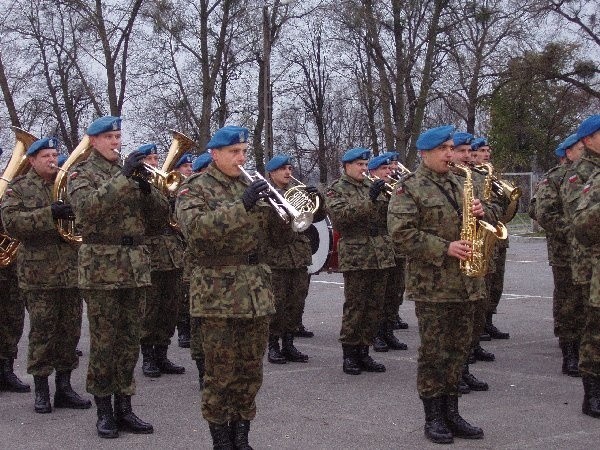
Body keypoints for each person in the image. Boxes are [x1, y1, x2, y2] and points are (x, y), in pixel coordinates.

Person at [175, 125, 294, 449]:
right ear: (215, 154)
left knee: (250, 370)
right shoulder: (194, 188)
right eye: (234, 152)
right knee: (219, 373)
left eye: (244, 151)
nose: (242, 157)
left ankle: (242, 437)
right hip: (217, 292)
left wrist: (287, 214)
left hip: (254, 291)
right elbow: (196, 230)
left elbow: (276, 239)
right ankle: (221, 441)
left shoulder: (252, 184)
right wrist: (241, 205)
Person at [67, 116, 168, 438]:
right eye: (109, 136)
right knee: (104, 342)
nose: (115, 142)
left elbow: (160, 218)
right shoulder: (81, 173)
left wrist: (145, 189)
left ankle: (125, 406)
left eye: (118, 136)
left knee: (128, 341)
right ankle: (104, 410)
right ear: (93, 140)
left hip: (135, 267)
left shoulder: (133, 173)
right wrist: (124, 179)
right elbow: (86, 210)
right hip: (101, 269)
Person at [388, 125, 490, 444]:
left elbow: (483, 220)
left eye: (451, 147)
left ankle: (452, 412)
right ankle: (433, 416)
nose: (451, 154)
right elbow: (401, 233)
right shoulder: (409, 187)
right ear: (425, 153)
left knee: (459, 350)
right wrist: (444, 247)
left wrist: (481, 212)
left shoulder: (463, 182)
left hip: (464, 282)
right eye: (444, 149)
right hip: (432, 285)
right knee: (435, 352)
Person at [1, 137, 90, 414]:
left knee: (69, 331)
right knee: (42, 332)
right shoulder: (19, 188)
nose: (52, 161)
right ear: (32, 160)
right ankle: (41, 390)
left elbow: (87, 217)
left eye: (54, 155)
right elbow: (12, 223)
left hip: (70, 271)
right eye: (46, 157)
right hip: (39, 274)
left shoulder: (67, 185)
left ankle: (64, 387)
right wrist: (48, 214)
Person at [325, 148, 395, 375]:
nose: (364, 169)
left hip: (380, 255)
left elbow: (388, 217)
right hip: (357, 254)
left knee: (374, 306)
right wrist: (370, 199)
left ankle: (364, 352)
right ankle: (349, 354)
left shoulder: (371, 185)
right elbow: (342, 219)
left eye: (366, 165)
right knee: (356, 306)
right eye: (359, 165)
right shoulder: (337, 189)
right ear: (347, 167)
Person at [262, 154, 326, 365]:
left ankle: (289, 344)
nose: (288, 173)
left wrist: (319, 200)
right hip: (277, 257)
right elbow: (268, 227)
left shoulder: (296, 192)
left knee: (295, 302)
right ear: (272, 173)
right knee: (277, 303)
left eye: (290, 168)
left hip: (298, 256)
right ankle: (273, 346)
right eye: (283, 169)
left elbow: (314, 218)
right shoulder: (266, 195)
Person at [533, 134, 585, 376]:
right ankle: (570, 353)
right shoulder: (554, 179)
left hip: (591, 252)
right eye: (579, 147)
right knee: (569, 302)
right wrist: (574, 231)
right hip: (565, 252)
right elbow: (544, 213)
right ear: (568, 153)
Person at [561, 115, 600, 418]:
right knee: (593, 327)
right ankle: (592, 394)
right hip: (589, 261)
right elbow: (579, 222)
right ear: (588, 140)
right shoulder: (579, 175)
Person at [137, 143, 185, 378]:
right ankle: (148, 357)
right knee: (150, 309)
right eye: (149, 159)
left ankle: (162, 354)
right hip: (151, 254)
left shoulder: (166, 184)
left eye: (156, 158)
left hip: (172, 254)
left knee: (170, 308)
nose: (154, 163)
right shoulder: (138, 186)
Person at [450, 132, 491, 392]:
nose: (467, 156)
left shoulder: (472, 177)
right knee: (449, 329)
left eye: (469, 151)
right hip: (447, 263)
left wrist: (484, 211)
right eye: (460, 151)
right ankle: (451, 378)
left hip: (473, 253)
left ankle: (464, 369)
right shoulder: (422, 184)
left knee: (472, 319)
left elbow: (491, 208)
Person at [366, 154, 407, 353]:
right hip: (378, 249)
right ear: (373, 172)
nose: (389, 172)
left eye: (389, 169)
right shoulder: (369, 190)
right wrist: (372, 198)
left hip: (396, 248)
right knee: (378, 296)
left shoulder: (394, 189)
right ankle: (376, 335)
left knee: (394, 293)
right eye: (384, 170)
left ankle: (389, 331)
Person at [471, 137, 511, 340]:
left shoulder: (489, 175)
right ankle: (478, 329)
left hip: (495, 235)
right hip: (477, 236)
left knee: (495, 283)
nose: (487, 154)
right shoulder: (470, 177)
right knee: (481, 286)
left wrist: (504, 195)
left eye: (488, 150)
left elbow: (503, 208)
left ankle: (488, 321)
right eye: (482, 151)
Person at [174, 153, 195, 349]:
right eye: (185, 166)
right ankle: (183, 330)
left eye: (191, 166)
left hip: (186, 246)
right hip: (174, 248)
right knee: (182, 295)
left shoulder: (193, 187)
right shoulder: (174, 187)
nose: (189, 169)